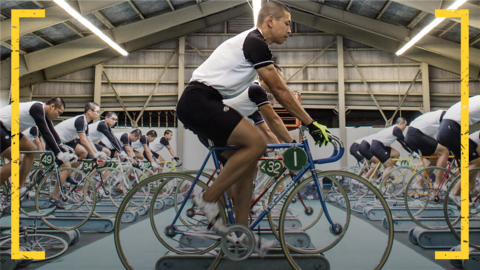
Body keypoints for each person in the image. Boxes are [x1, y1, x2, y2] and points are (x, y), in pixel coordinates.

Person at [176, 1, 330, 256]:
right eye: (287, 23)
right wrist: (310, 123)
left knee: (249, 162)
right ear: (270, 20)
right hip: (198, 101)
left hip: (206, 102)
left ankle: (241, 235)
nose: (290, 30)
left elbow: (277, 94)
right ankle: (207, 198)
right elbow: (280, 90)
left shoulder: (256, 45)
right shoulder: (255, 41)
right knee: (257, 143)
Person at [0, 98, 75, 208]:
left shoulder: (44, 113)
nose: (58, 117)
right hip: (1, 125)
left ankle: (19, 188)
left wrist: (63, 149)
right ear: (52, 106)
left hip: (9, 129)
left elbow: (52, 132)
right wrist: (58, 154)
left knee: (31, 149)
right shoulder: (37, 108)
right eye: (58, 113)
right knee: (17, 159)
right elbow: (45, 132)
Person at [438, 95, 480, 202]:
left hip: (447, 128)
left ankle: (470, 186)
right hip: (451, 129)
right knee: (474, 162)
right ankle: (456, 192)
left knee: (475, 160)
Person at [54, 102, 107, 172]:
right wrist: (93, 154)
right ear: (89, 111)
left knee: (83, 152)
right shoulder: (80, 120)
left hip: (67, 141)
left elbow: (89, 140)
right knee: (66, 168)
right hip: (57, 141)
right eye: (97, 112)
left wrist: (97, 152)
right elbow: (83, 141)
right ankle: (67, 173)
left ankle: (69, 173)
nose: (98, 114)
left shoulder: (85, 124)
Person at [405, 110, 450, 190]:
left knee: (435, 160)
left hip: (412, 135)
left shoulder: (439, 115)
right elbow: (444, 135)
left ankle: (419, 183)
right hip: (416, 134)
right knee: (444, 152)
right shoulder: (446, 115)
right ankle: (438, 183)